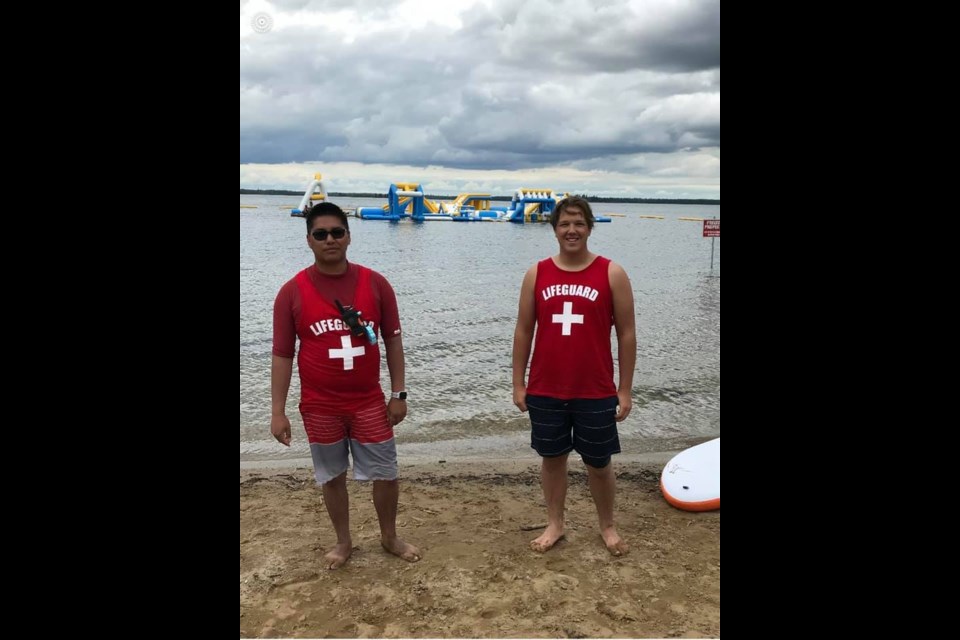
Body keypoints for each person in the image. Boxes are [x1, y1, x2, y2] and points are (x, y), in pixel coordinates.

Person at [271, 202, 421, 569]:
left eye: (337, 232)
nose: (330, 240)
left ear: (349, 236)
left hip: (369, 401)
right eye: (320, 234)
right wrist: (278, 411)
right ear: (309, 240)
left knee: (385, 473)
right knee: (332, 476)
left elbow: (393, 341)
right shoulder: (292, 291)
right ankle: (344, 541)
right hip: (319, 406)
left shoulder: (375, 283)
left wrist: (398, 394)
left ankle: (389, 536)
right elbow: (282, 355)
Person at [511, 196, 636, 556]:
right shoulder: (537, 273)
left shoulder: (611, 272)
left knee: (599, 463)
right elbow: (523, 330)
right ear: (554, 229)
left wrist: (624, 390)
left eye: (579, 223)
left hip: (595, 390)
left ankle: (607, 526)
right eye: (565, 224)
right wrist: (519, 383)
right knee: (552, 460)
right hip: (546, 388)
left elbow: (626, 334)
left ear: (589, 227)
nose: (572, 230)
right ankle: (555, 524)